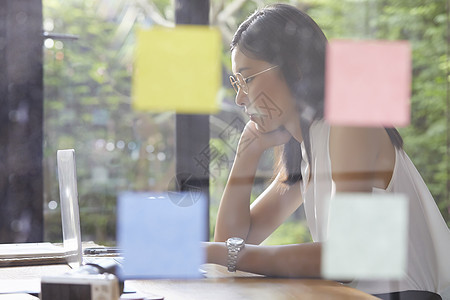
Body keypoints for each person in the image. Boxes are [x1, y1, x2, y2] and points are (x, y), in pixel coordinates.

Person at [204, 3, 450, 300]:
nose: (240, 98)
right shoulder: (306, 145)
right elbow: (233, 240)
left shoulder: (350, 121)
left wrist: (221, 252)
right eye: (236, 83)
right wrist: (248, 152)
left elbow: (346, 259)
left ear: (294, 69)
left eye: (248, 79)